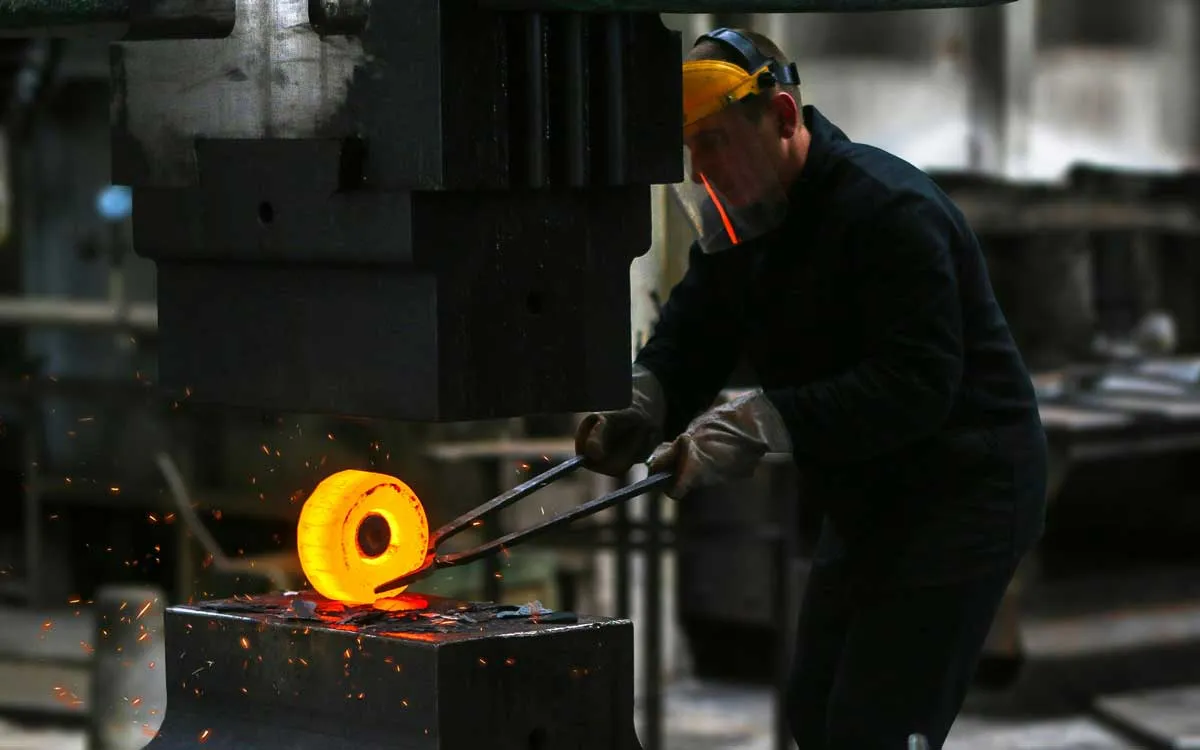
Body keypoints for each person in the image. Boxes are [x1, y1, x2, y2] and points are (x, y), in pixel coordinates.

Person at [575, 27, 1048, 750]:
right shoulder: (746, 222)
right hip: (870, 497)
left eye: (717, 142)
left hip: (963, 493)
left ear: (786, 118)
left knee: (875, 730)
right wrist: (645, 400)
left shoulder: (889, 211)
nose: (703, 170)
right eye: (691, 150)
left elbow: (915, 386)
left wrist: (758, 422)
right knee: (815, 714)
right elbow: (698, 326)